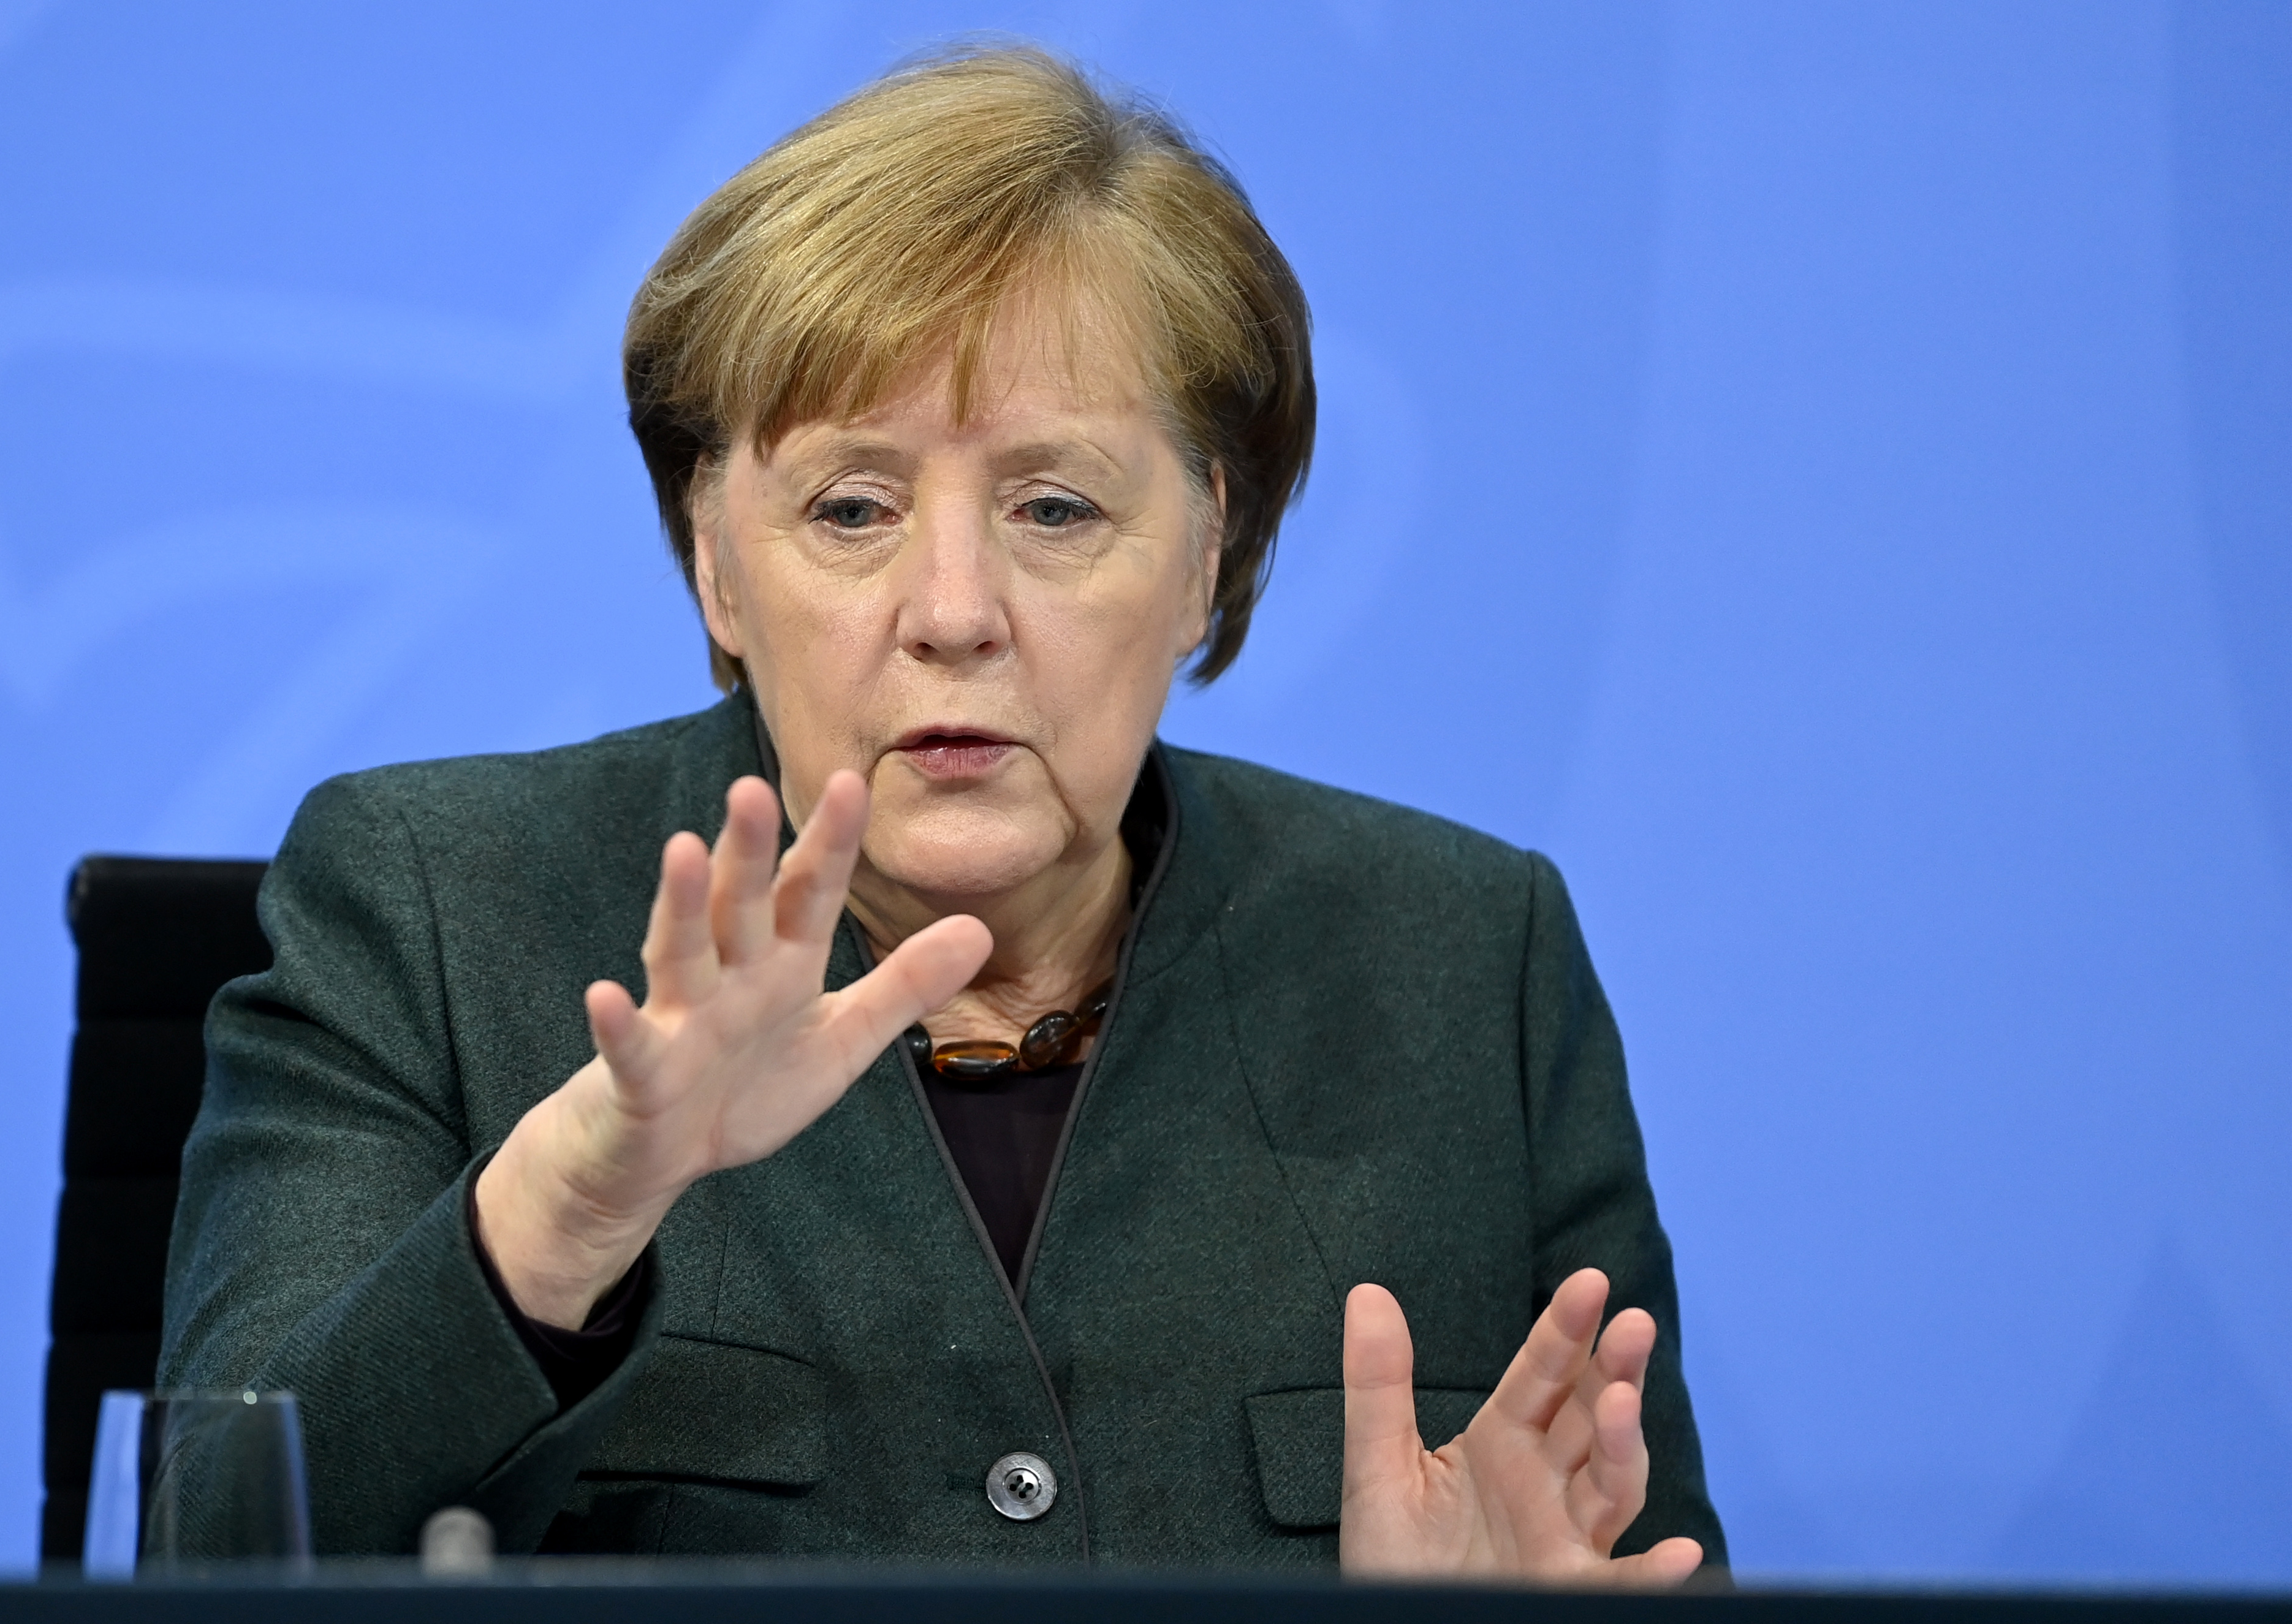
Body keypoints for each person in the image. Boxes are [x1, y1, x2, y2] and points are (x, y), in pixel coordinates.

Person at [159, 46, 1725, 1579]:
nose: (954, 609)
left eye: (1057, 506)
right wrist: (569, 1209)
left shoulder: (1461, 959)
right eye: (853, 507)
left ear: (1204, 556)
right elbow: (205, 1555)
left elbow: (1644, 1559)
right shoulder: (431, 912)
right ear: (715, 560)